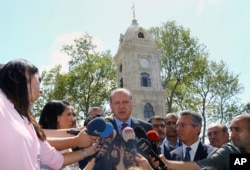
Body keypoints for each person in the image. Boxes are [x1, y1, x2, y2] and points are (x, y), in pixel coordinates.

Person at [0, 59, 98, 169]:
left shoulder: (25, 120)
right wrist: (77, 140)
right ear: (27, 73)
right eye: (39, 79)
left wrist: (90, 150)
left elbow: (54, 158)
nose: (41, 90)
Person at [159, 113, 250, 170]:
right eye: (231, 129)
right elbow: (200, 165)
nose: (232, 134)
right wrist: (167, 163)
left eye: (237, 129)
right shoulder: (228, 152)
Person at [93, 88, 153, 170]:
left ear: (132, 104)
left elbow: (154, 162)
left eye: (125, 102)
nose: (121, 106)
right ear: (111, 106)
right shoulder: (102, 128)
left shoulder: (146, 128)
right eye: (117, 103)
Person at [39, 100, 98, 170]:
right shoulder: (43, 146)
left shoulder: (69, 148)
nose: (73, 119)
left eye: (74, 115)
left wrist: (95, 154)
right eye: (69, 114)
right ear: (57, 117)